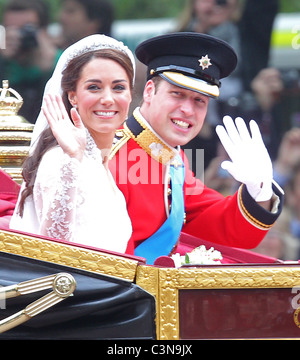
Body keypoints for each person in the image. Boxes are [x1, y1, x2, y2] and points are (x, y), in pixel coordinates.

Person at [109, 32, 284, 264]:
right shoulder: (111, 154)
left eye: (199, 100)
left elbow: (217, 224)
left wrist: (258, 191)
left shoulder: (172, 158)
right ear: (150, 91)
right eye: (177, 94)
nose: (188, 110)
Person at [10, 34, 135, 253]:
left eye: (118, 88)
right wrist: (71, 161)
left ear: (131, 95)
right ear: (72, 96)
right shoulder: (60, 158)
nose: (108, 98)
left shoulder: (97, 160)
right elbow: (52, 252)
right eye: (94, 87)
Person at [0, 0, 61, 123]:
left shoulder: (62, 62)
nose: (17, 35)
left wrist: (48, 70)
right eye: (10, 29)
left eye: (26, 29)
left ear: (44, 30)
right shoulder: (3, 62)